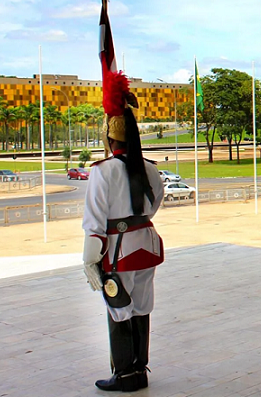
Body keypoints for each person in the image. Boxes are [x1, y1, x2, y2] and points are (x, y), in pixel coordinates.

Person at [82, 70, 165, 392]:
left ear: (109, 139)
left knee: (118, 308)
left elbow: (95, 220)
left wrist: (91, 259)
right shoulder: (150, 169)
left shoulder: (103, 172)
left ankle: (125, 375)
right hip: (146, 246)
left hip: (118, 252)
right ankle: (139, 370)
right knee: (142, 306)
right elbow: (153, 206)